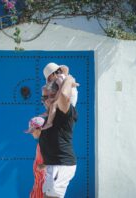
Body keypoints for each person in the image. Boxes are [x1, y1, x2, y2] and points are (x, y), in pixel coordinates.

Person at [39, 62, 79, 198]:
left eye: (48, 96)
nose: (44, 101)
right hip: (54, 165)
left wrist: (67, 79)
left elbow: (63, 97)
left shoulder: (64, 110)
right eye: (42, 98)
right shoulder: (53, 113)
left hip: (60, 165)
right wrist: (46, 162)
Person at [42, 63, 79, 130]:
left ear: (52, 74)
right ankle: (48, 114)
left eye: (49, 78)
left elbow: (61, 92)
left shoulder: (60, 79)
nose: (50, 80)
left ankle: (49, 123)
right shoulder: (63, 77)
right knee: (53, 104)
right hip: (70, 100)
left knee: (53, 105)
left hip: (69, 100)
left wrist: (54, 100)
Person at [25, 116, 46, 198]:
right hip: (38, 181)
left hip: (44, 182)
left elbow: (57, 160)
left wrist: (42, 166)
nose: (31, 133)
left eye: (32, 131)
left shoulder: (47, 144)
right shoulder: (40, 143)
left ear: (40, 129)